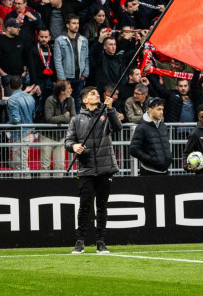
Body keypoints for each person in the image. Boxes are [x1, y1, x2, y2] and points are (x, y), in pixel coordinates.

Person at [65, 86, 121, 254]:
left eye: (97, 93)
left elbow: (117, 127)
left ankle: (100, 242)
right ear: (84, 100)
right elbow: (68, 141)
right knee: (85, 206)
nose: (97, 95)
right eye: (92, 94)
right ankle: (80, 241)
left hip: (105, 168)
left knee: (102, 206)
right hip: (86, 168)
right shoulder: (76, 120)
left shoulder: (106, 113)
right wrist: (74, 146)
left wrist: (110, 110)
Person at [7, 74, 41, 178]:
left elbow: (16, 119)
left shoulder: (12, 99)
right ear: (22, 85)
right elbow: (34, 115)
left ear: (9, 86)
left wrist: (7, 125)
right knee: (21, 163)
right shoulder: (30, 97)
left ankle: (25, 187)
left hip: (19, 135)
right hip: (29, 133)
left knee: (20, 164)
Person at [129, 97, 172, 176]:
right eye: (158, 109)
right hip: (149, 172)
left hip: (165, 172)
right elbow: (133, 149)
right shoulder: (141, 128)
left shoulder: (163, 126)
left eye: (162, 109)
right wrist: (151, 159)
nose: (161, 112)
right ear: (150, 110)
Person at [42, 80, 75, 177]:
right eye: (69, 88)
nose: (71, 90)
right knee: (45, 166)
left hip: (61, 136)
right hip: (46, 136)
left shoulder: (71, 100)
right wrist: (65, 117)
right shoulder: (50, 100)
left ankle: (59, 189)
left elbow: (73, 118)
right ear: (62, 91)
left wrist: (60, 119)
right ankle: (43, 189)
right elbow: (49, 118)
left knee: (60, 165)